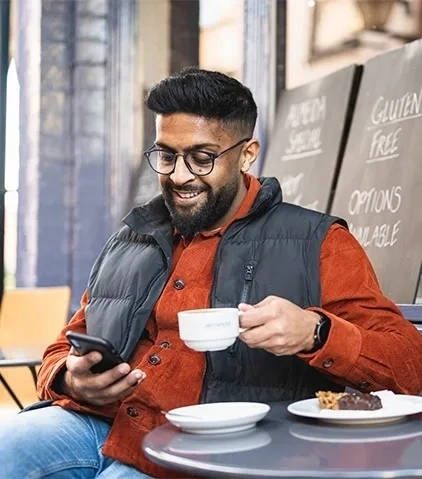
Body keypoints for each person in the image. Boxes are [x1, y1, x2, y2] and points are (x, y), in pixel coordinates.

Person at [1, 67, 421, 479]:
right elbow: (62, 348)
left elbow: (411, 368)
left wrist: (316, 332)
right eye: (166, 156)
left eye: (202, 158)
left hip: (207, 447)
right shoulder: (131, 237)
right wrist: (72, 381)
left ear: (248, 154)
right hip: (96, 424)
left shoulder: (319, 242)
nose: (179, 176)